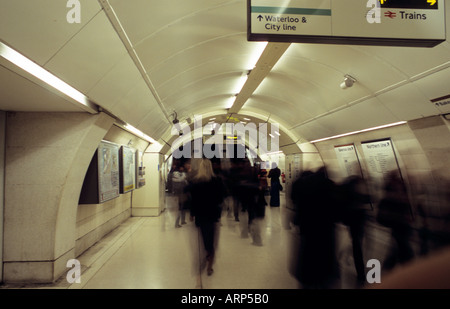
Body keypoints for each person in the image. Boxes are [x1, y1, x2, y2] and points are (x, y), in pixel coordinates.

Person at [290, 167, 340, 288]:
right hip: (327, 234)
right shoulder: (329, 187)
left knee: (308, 265)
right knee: (326, 266)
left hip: (307, 233)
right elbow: (338, 212)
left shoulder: (302, 187)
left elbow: (297, 210)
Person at [187, 158, 226, 276]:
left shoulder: (195, 182)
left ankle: (203, 257)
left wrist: (192, 214)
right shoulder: (217, 181)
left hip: (200, 215)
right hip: (213, 215)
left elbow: (192, 200)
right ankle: (209, 267)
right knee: (212, 240)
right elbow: (221, 198)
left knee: (202, 239)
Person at [376, 171, 415, 270]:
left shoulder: (399, 190)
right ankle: (403, 266)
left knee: (399, 247)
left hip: (401, 224)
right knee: (403, 247)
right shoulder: (391, 193)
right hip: (398, 223)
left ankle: (390, 266)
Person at [338, 175, 371, 285]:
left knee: (356, 243)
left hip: (357, 222)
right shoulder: (354, 194)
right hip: (355, 223)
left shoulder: (354, 192)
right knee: (357, 245)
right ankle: (360, 272)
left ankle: (343, 254)